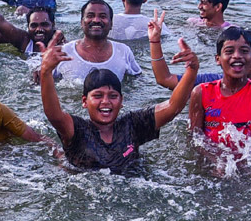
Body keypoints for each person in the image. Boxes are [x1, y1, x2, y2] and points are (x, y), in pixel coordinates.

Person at [39, 32, 197, 173]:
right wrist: (46, 72)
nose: (106, 102)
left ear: (121, 101)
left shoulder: (132, 125)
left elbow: (173, 107)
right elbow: (54, 115)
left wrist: (191, 70)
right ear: (84, 101)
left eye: (113, 96)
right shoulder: (77, 130)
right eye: (98, 96)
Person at [189, 26, 251, 147]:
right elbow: (195, 139)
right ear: (218, 59)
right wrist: (216, 161)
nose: (237, 56)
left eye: (244, 51)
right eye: (229, 51)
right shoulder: (201, 93)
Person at [53, 0, 141, 83]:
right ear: (81, 22)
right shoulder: (64, 52)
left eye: (103, 16)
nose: (96, 20)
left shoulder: (123, 51)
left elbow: (138, 80)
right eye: (90, 16)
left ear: (111, 24)